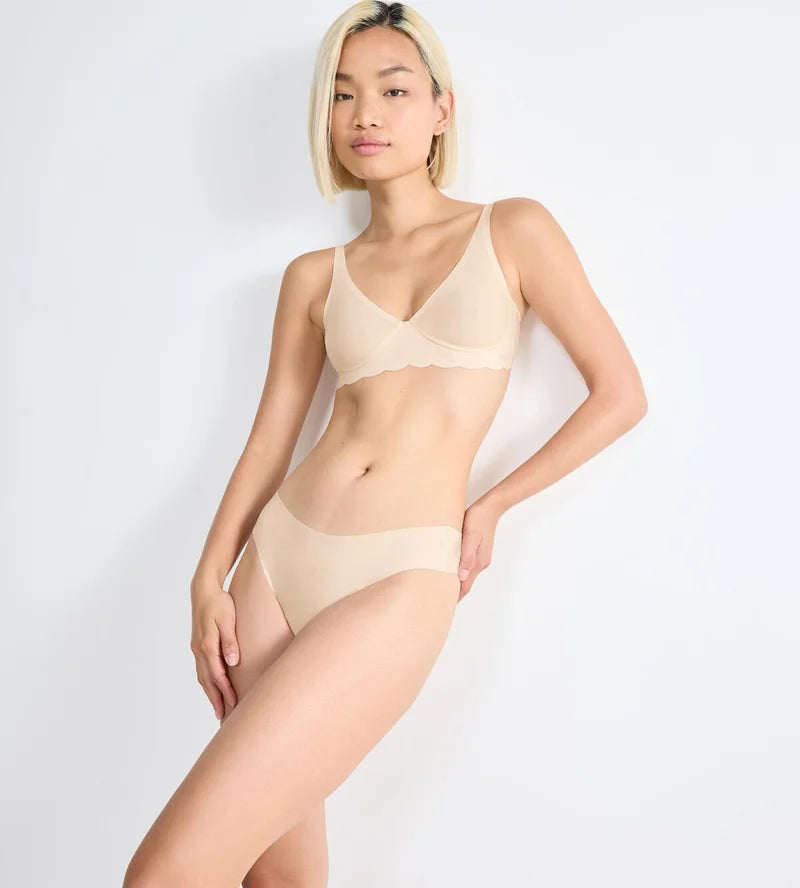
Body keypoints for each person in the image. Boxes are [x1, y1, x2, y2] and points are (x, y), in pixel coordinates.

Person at [123, 3, 647, 886]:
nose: (365, 113)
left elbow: (620, 394)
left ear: (442, 109)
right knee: (281, 880)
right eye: (342, 94)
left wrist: (492, 505)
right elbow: (268, 442)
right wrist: (207, 578)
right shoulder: (313, 277)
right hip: (274, 568)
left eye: (393, 90)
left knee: (165, 874)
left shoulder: (513, 229)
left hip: (402, 568)